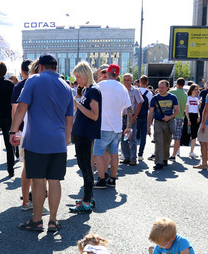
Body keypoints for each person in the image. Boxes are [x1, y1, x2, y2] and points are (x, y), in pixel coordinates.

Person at [10, 53, 73, 232]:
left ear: (40, 67)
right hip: (58, 141)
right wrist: (65, 140)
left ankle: (37, 220)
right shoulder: (66, 86)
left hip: (36, 140)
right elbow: (69, 119)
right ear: (56, 67)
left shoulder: (33, 80)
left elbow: (21, 107)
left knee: (38, 181)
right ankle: (53, 220)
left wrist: (13, 131)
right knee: (55, 180)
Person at [93, 64, 132, 189]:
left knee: (98, 152)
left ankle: (101, 179)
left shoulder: (100, 86)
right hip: (117, 127)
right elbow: (129, 109)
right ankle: (112, 179)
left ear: (108, 73)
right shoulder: (123, 88)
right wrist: (129, 126)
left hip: (103, 126)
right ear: (118, 75)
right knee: (114, 153)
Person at [69, 62, 101, 214]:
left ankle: (87, 201)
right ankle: (89, 197)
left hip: (85, 134)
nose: (77, 80)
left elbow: (95, 115)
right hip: (82, 133)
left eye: (78, 76)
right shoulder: (89, 90)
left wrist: (77, 104)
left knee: (86, 167)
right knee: (84, 166)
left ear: (85, 74)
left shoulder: (93, 90)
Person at [11, 59, 33, 211]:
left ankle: (27, 199)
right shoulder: (27, 84)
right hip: (28, 130)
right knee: (31, 167)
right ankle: (28, 199)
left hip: (24, 129)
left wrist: (15, 130)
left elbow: (15, 110)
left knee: (27, 166)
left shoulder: (20, 85)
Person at [147, 80, 179, 170]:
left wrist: (169, 117)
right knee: (158, 142)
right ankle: (159, 162)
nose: (160, 89)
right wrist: (148, 125)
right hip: (158, 122)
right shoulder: (154, 98)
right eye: (159, 87)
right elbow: (151, 113)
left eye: (162, 87)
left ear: (167, 88)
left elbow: (177, 111)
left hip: (168, 122)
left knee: (167, 142)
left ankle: (165, 158)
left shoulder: (173, 97)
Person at [121, 73, 143, 166]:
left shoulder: (135, 90)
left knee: (132, 138)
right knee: (123, 138)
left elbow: (140, 103)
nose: (126, 81)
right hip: (121, 117)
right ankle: (127, 157)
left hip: (131, 117)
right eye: (125, 80)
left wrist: (135, 116)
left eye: (128, 80)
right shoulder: (120, 90)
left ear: (131, 81)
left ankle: (133, 158)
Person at [169, 78, 188, 160]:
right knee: (177, 137)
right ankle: (174, 155)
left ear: (176, 83)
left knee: (167, 136)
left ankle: (165, 153)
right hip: (180, 117)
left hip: (171, 116)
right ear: (183, 84)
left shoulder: (171, 92)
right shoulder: (185, 94)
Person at [137, 75, 153, 160]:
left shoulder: (136, 91)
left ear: (139, 82)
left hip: (135, 116)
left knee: (132, 136)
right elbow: (151, 108)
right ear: (147, 83)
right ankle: (140, 154)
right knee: (143, 136)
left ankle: (130, 153)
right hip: (145, 116)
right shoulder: (149, 93)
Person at [185, 84, 201, 158]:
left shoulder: (197, 99)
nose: (196, 91)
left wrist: (199, 116)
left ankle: (192, 151)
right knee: (185, 134)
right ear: (191, 90)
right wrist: (188, 119)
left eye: (197, 89)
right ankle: (178, 151)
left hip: (195, 117)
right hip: (189, 116)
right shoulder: (188, 98)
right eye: (195, 89)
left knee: (194, 134)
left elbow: (197, 109)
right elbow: (186, 110)